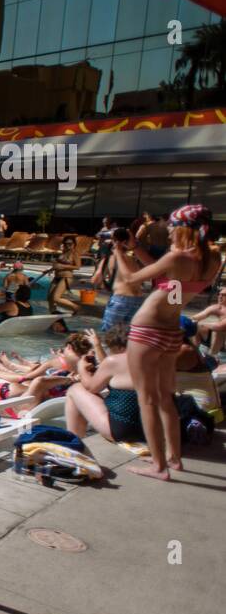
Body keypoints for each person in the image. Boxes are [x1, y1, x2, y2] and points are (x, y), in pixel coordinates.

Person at [114, 204, 222, 479]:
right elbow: (170, 283)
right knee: (165, 399)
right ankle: (174, 459)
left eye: (173, 225)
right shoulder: (211, 258)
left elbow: (131, 279)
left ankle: (158, 466)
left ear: (184, 228)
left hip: (146, 331)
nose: (170, 229)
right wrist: (136, 248)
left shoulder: (176, 257)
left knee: (146, 400)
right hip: (171, 332)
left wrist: (118, 249)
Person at [65, 325, 144, 443]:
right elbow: (108, 366)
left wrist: (81, 368)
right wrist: (97, 345)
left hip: (124, 431)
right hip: (149, 429)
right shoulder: (153, 359)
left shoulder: (115, 361)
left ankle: (73, 442)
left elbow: (91, 387)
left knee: (75, 389)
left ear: (118, 347)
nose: (111, 352)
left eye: (111, 349)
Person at [47, 236, 81, 314]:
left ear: (74, 244)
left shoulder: (75, 253)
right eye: (65, 244)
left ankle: (76, 307)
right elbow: (58, 264)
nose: (67, 245)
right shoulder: (64, 252)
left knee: (56, 298)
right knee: (49, 298)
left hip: (66, 277)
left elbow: (78, 266)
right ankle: (52, 314)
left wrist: (63, 266)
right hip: (57, 277)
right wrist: (50, 269)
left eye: (70, 243)